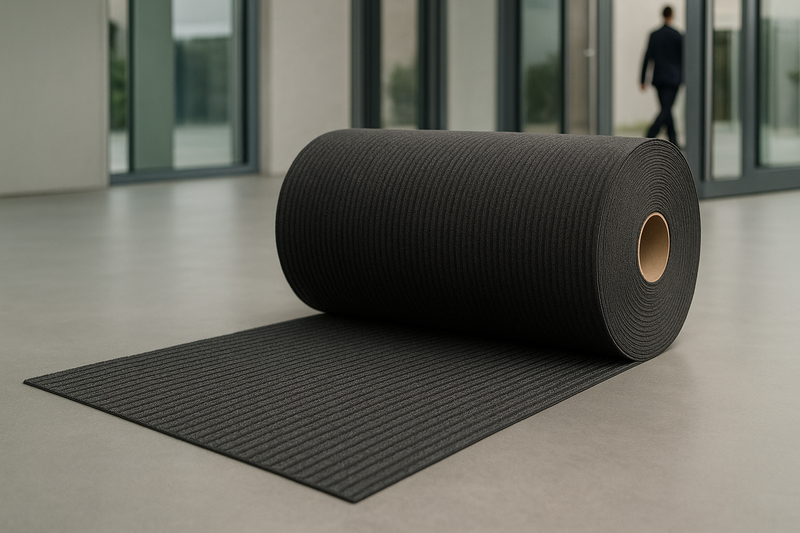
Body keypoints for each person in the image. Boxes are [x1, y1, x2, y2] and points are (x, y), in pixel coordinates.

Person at [640, 6, 683, 146]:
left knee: (666, 109)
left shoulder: (654, 35)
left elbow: (647, 57)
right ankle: (650, 135)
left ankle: (673, 141)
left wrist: (643, 79)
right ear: (672, 15)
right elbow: (684, 59)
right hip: (674, 79)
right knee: (666, 109)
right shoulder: (678, 35)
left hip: (659, 78)